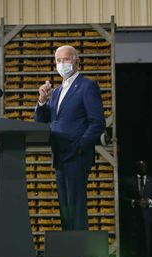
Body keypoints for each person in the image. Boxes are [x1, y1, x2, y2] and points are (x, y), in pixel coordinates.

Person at [34, 45, 106, 230]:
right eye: (58, 61)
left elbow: (97, 122)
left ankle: (80, 255)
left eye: (65, 59)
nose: (61, 64)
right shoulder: (56, 92)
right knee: (65, 208)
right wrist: (42, 100)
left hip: (76, 155)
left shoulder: (87, 86)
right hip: (59, 156)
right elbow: (42, 122)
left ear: (76, 60)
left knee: (76, 206)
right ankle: (68, 254)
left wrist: (80, 146)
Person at [122, 160, 152, 257]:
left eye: (144, 165)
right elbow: (123, 197)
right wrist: (135, 202)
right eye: (140, 165)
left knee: (148, 241)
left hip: (148, 217)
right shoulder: (128, 181)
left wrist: (148, 201)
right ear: (136, 167)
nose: (142, 167)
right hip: (133, 217)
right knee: (132, 241)